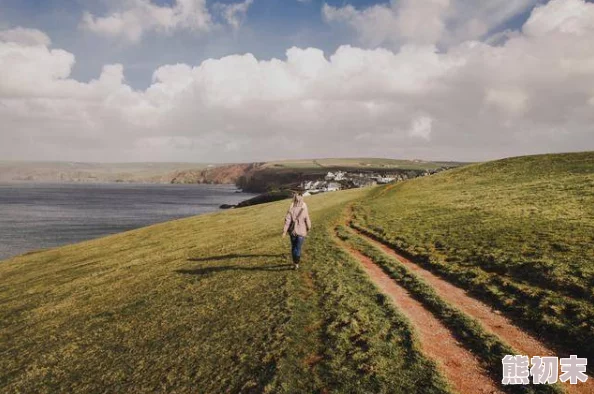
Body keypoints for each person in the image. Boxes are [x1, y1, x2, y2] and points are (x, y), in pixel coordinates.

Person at [282, 192, 312, 270]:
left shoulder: (291, 210)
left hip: (293, 232)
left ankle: (295, 263)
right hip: (302, 232)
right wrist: (308, 228)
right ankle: (297, 263)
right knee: (298, 248)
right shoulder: (304, 209)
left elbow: (287, 221)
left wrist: (284, 232)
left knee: (293, 247)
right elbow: (307, 220)